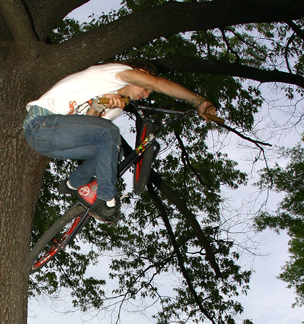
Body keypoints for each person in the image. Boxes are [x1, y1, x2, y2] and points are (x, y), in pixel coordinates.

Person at [23, 60, 217, 223]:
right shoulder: (115, 73)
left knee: (112, 150)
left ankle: (72, 183)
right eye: (146, 87)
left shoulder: (116, 107)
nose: (147, 94)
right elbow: (158, 83)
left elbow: (92, 130)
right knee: (109, 133)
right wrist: (198, 102)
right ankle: (107, 200)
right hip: (40, 124)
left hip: (53, 144)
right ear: (138, 74)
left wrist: (98, 105)